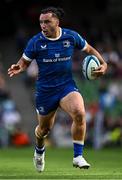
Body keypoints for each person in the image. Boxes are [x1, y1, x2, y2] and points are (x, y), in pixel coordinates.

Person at [8, 7, 107, 172]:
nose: (43, 25)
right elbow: (24, 62)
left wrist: (103, 63)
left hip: (66, 86)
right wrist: (19, 67)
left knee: (79, 112)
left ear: (57, 22)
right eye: (41, 22)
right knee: (43, 130)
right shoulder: (36, 41)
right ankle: (39, 150)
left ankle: (78, 157)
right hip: (45, 91)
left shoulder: (71, 36)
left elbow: (89, 49)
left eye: (47, 21)